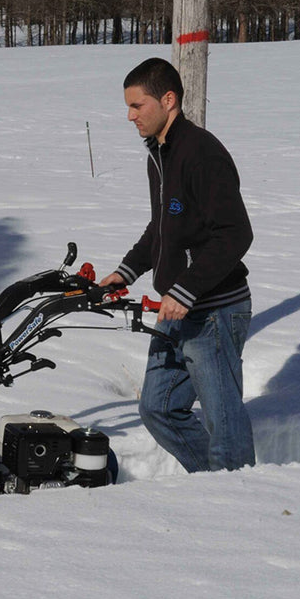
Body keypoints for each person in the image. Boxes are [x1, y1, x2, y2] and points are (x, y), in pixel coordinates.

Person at [99, 57, 255, 472]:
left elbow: (236, 234)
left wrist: (186, 290)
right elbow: (164, 226)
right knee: (158, 408)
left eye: (138, 105)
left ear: (169, 100)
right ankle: (212, 485)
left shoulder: (202, 154)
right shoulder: (161, 154)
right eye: (128, 107)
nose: (130, 116)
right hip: (177, 309)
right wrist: (126, 271)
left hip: (214, 311)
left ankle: (237, 500)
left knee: (224, 424)